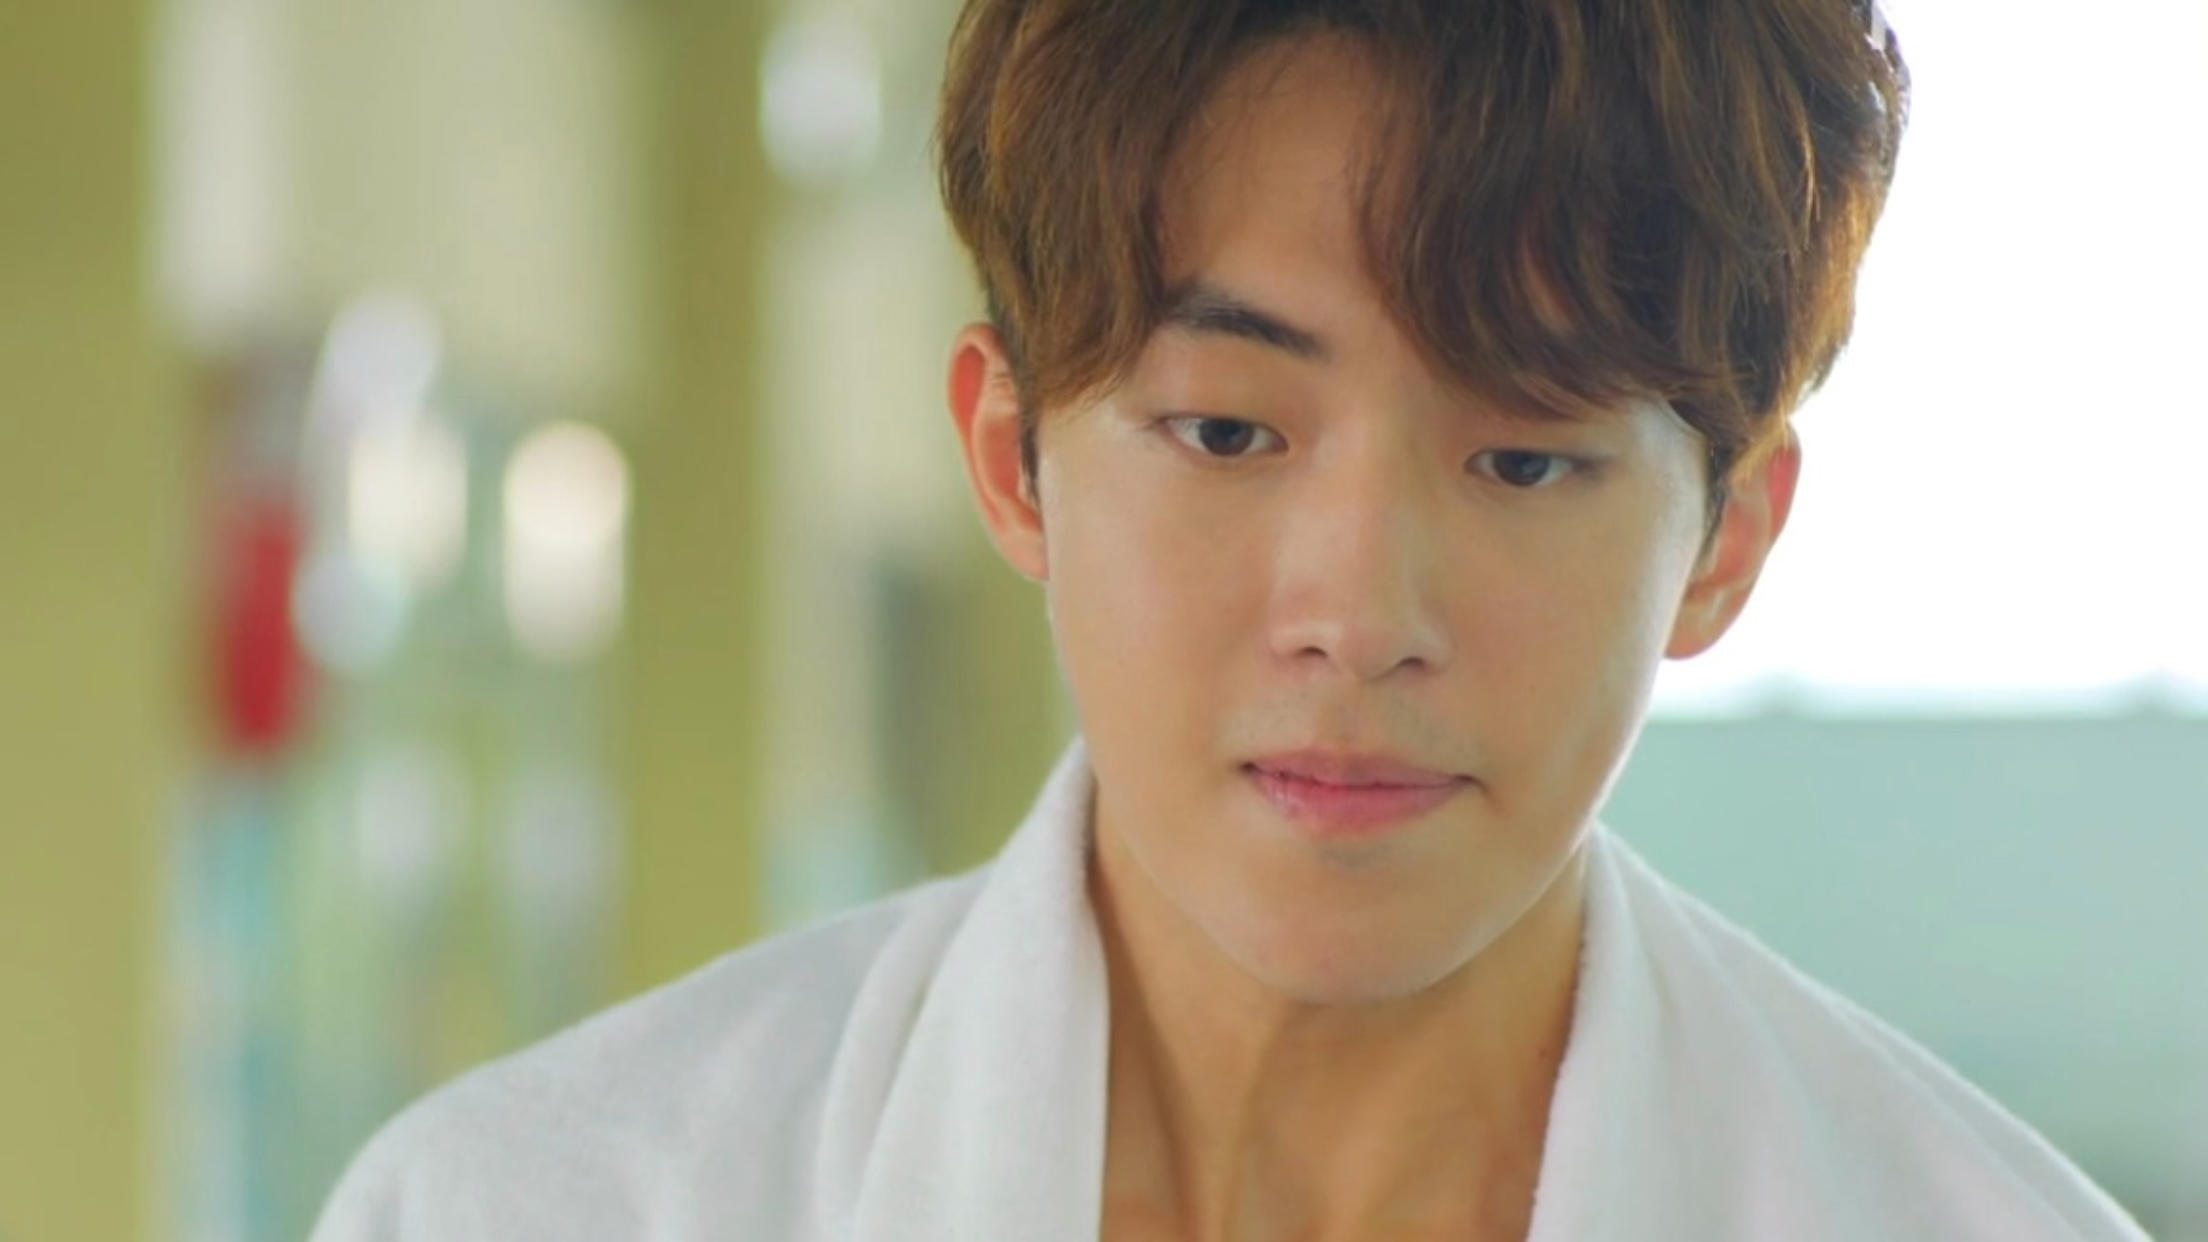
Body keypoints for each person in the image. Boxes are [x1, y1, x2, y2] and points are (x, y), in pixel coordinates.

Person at [310, 2, 2155, 1239]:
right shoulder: (532, 1208)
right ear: (1015, 459)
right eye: (1225, 430)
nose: (1357, 616)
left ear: (1724, 543)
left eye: (1523, 458)